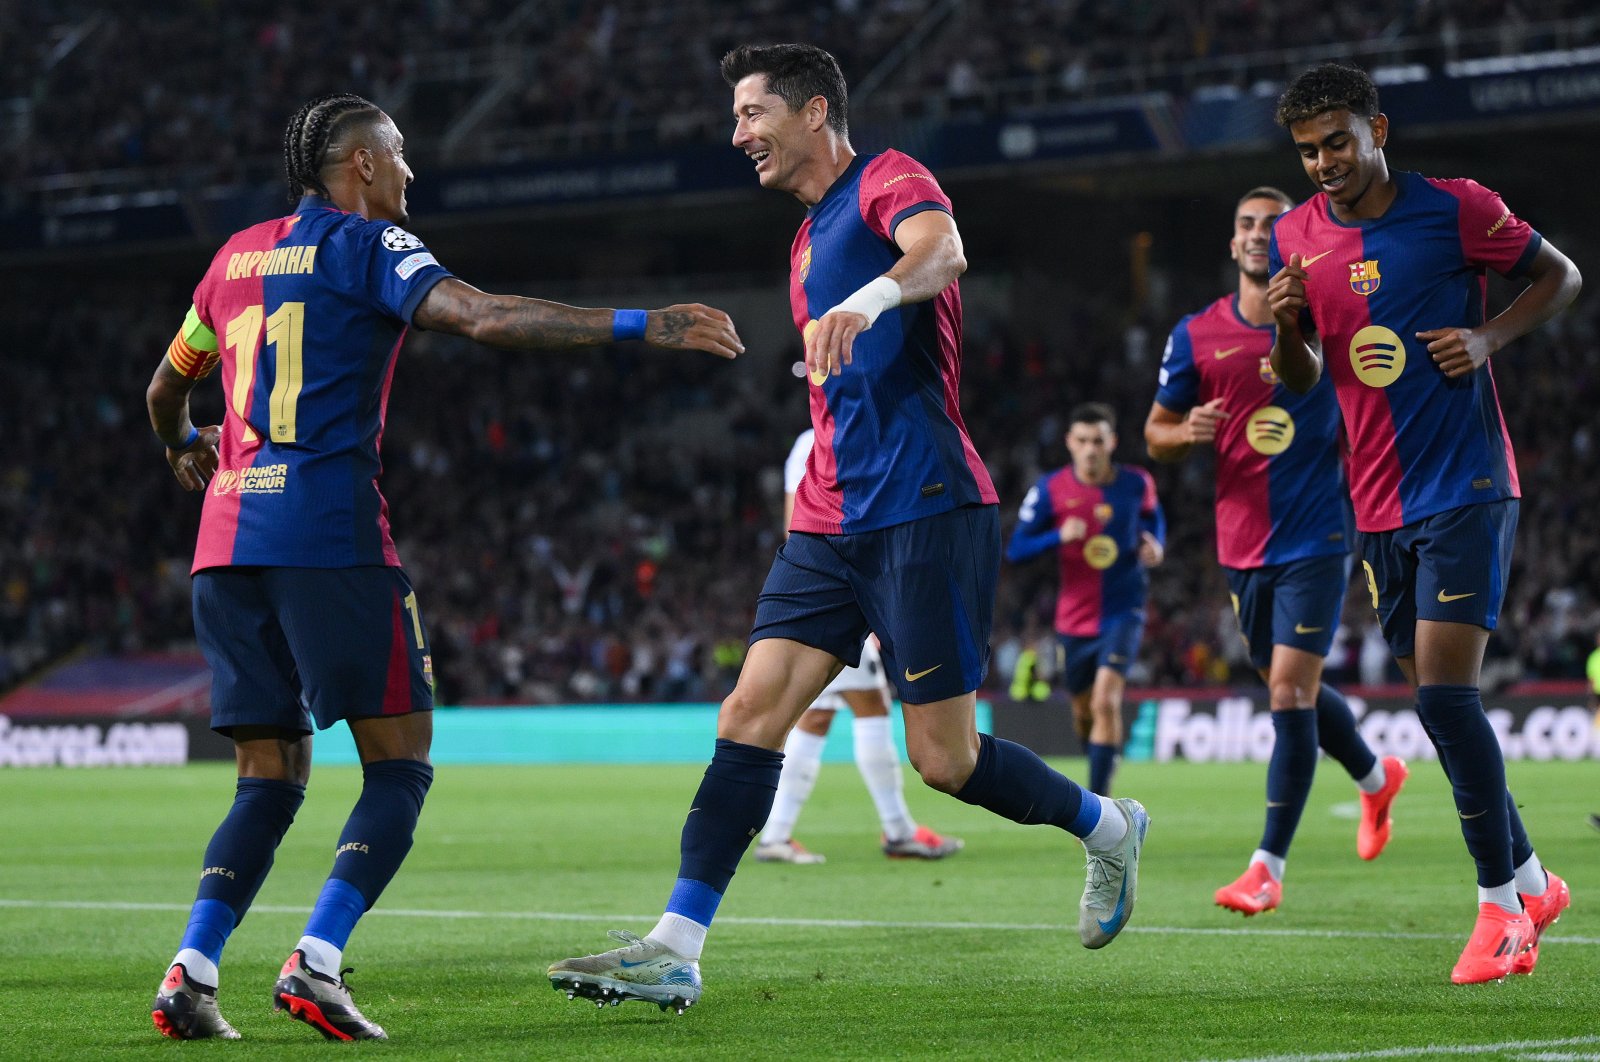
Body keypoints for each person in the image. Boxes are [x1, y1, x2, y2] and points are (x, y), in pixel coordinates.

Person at [548, 43, 1148, 1015]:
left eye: (751, 113)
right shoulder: (802, 238)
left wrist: (868, 300)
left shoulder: (886, 178)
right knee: (747, 718)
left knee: (944, 760)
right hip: (828, 519)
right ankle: (675, 946)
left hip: (925, 505)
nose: (737, 132)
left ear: (813, 109)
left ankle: (1107, 826)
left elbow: (942, 251)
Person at [146, 92, 742, 1041]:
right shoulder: (366, 246)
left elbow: (165, 384)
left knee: (267, 776)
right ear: (363, 167)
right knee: (401, 766)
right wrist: (645, 326)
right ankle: (318, 960)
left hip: (224, 545)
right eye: (401, 155)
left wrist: (184, 446)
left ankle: (191, 972)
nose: (413, 173)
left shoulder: (233, 258)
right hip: (327, 537)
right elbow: (486, 316)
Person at [1266, 63, 1580, 983]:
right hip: (1375, 504)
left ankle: (1498, 911)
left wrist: (1487, 339)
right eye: (1308, 150)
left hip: (1466, 485)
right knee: (1438, 710)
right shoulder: (1297, 236)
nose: (1324, 161)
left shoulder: (1458, 209)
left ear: (1379, 129)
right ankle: (1535, 878)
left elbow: (1559, 277)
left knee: (1447, 697)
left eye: (1337, 141)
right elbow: (1302, 380)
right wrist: (1286, 329)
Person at [1144, 186, 1409, 917]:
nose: (1259, 235)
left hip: (1320, 533)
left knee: (1288, 691)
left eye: (1272, 225)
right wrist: (1184, 432)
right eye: (1247, 225)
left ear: (1293, 242)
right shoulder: (1196, 335)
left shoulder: (1326, 321)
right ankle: (1375, 776)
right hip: (1240, 544)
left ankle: (1267, 868)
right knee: (1290, 688)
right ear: (1232, 245)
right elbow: (1155, 434)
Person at [755, 428, 964, 864]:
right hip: (844, 589)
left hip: (827, 589)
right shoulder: (853, 436)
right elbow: (813, 523)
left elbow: (796, 520)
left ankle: (778, 834)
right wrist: (862, 601)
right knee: (868, 706)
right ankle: (896, 829)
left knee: (816, 718)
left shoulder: (810, 440)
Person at [1006, 403, 1166, 797]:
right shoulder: (1051, 489)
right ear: (1069, 444)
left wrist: (1154, 544)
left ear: (1111, 442)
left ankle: (1100, 807)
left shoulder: (1136, 483)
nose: (1090, 449)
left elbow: (1153, 518)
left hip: (1123, 611)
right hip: (1074, 619)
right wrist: (1057, 536)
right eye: (1082, 441)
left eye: (1098, 441)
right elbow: (1016, 549)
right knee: (1082, 713)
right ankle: (1103, 756)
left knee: (1106, 701)